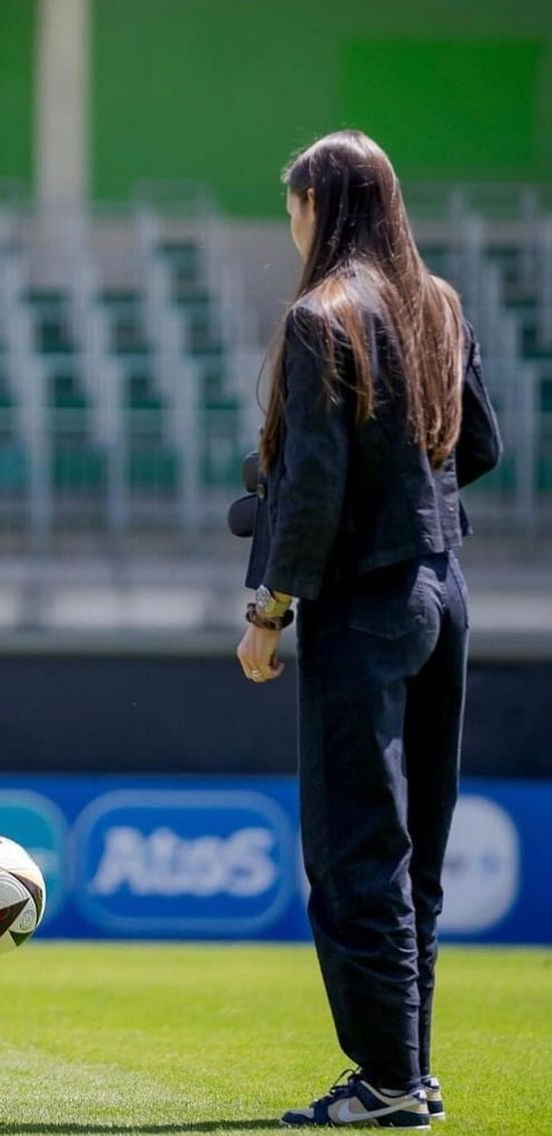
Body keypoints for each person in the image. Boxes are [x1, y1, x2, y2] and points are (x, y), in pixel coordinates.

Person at [236, 130, 501, 1128]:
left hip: (366, 605)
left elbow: (313, 492)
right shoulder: (440, 304)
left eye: (293, 206)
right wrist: (403, 488)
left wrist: (269, 611)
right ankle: (409, 1071)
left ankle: (388, 1082)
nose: (291, 224)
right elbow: (480, 444)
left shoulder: (322, 317)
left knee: (356, 847)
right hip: (444, 587)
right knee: (415, 849)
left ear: (320, 206)